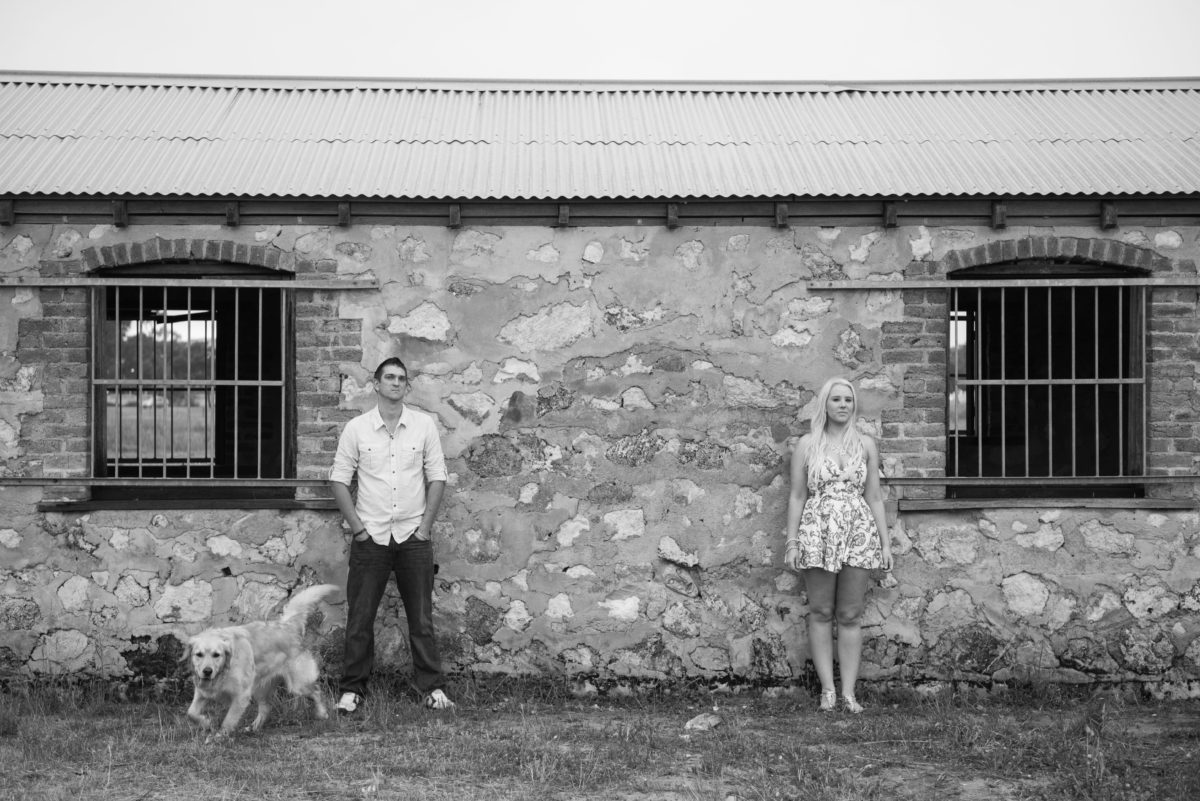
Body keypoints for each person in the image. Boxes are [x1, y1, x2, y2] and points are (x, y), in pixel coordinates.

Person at [329, 357, 454, 713]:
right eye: (389, 378)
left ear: (406, 387)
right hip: (371, 537)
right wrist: (359, 529)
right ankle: (352, 690)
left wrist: (425, 528)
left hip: (413, 536)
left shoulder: (423, 426)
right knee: (360, 619)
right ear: (377, 384)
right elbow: (339, 479)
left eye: (401, 379)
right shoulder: (357, 428)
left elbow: (438, 476)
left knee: (421, 619)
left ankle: (432, 688)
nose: (396, 383)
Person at [784, 376, 892, 713]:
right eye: (836, 400)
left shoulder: (866, 445)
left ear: (854, 405)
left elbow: (874, 497)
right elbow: (798, 495)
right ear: (825, 405)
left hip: (858, 532)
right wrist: (792, 541)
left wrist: (885, 545)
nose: (843, 405)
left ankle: (848, 692)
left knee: (849, 613)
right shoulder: (807, 444)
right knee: (821, 611)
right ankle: (827, 690)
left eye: (848, 400)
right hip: (818, 531)